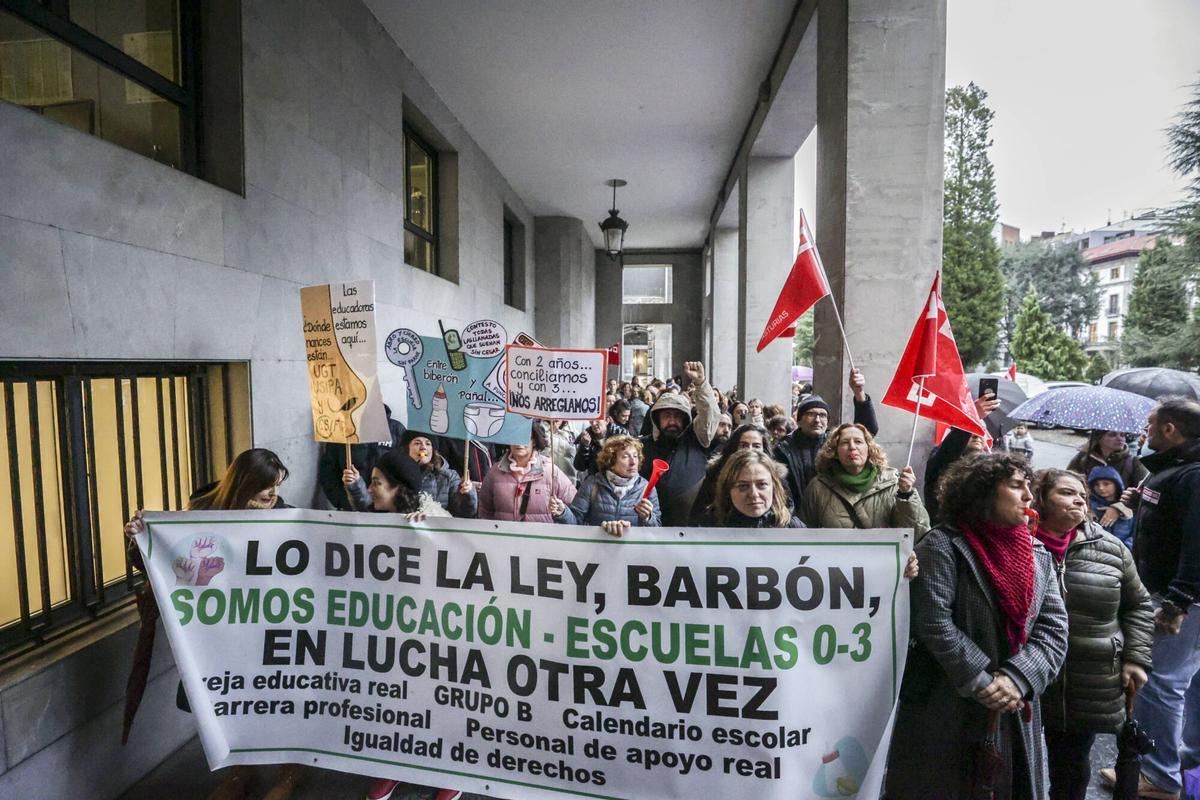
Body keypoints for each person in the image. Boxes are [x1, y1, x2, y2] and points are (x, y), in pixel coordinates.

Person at [124, 449, 307, 800]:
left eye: (278, 485)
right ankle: (240, 772)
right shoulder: (202, 512)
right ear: (244, 483)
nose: (274, 494)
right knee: (229, 704)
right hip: (219, 633)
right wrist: (139, 538)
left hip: (270, 626)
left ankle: (290, 771)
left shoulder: (285, 515)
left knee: (279, 698)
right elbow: (163, 560)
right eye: (266, 486)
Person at [886, 453, 1069, 800]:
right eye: (1016, 486)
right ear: (983, 493)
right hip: (947, 708)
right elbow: (933, 620)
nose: (1028, 496)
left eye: (1028, 486)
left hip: (1013, 709)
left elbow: (1053, 628)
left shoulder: (1037, 552)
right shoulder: (943, 545)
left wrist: (1017, 679)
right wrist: (983, 682)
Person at [1030, 468, 1153, 800]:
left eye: (1082, 496)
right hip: (1027, 677)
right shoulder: (1015, 544)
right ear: (1040, 498)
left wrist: (1136, 658)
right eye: (1066, 493)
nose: (1078, 501)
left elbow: (1139, 605)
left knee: (1071, 767)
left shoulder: (1110, 549)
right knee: (1015, 765)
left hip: (1087, 680)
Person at [1099, 398, 1200, 800]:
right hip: (1178, 596)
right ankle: (1185, 764)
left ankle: (1159, 777)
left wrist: (1177, 602)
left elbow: (1196, 544)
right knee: (1188, 683)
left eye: (1151, 424)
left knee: (1161, 681)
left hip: (1183, 601)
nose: (1145, 431)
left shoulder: (1193, 475)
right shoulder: (1174, 470)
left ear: (1170, 429)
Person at [799, 423, 930, 538]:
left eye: (858, 441)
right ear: (835, 451)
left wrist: (906, 495)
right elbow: (804, 535)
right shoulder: (818, 487)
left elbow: (918, 533)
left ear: (869, 448)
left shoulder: (893, 484)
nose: (852, 447)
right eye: (844, 442)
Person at [774, 367, 879, 506]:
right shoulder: (783, 449)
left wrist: (859, 393)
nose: (817, 420)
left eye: (822, 415)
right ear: (798, 420)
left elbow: (867, 430)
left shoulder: (836, 443)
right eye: (811, 414)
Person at [638, 361, 719, 526]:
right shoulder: (643, 446)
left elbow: (709, 414)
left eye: (677, 416)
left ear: (685, 419)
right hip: (650, 525)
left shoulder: (697, 440)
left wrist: (701, 383)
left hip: (691, 526)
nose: (672, 421)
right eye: (667, 416)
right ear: (657, 419)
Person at [552, 435, 660, 535]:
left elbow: (658, 530)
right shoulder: (592, 484)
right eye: (625, 457)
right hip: (597, 548)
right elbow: (575, 522)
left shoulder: (646, 488)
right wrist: (563, 513)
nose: (633, 462)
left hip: (633, 549)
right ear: (611, 462)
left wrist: (648, 518)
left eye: (635, 456)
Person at [923, 394, 1001, 523]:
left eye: (981, 430)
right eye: (972, 430)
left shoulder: (991, 466)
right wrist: (972, 417)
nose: (976, 435)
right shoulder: (940, 458)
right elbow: (948, 453)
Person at [479, 424, 577, 522]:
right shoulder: (495, 472)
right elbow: (484, 511)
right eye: (514, 437)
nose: (519, 442)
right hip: (503, 532)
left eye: (524, 437)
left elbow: (575, 510)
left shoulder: (550, 471)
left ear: (534, 441)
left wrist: (563, 512)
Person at [316, 404, 405, 510]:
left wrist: (395, 502)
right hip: (351, 507)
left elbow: (406, 470)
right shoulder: (342, 430)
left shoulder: (396, 429)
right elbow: (328, 470)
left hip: (387, 509)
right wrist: (343, 501)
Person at [697, 449, 804, 528]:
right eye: (743, 486)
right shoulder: (707, 528)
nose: (754, 494)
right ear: (727, 490)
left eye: (762, 484)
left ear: (774, 487)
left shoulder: (793, 528)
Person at [688, 423, 771, 524]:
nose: (750, 450)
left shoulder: (774, 476)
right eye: (744, 446)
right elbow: (698, 514)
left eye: (756, 446)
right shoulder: (715, 475)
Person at [400, 432, 477, 517]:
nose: (423, 447)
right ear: (407, 449)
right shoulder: (396, 475)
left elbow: (465, 512)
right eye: (417, 443)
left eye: (428, 444)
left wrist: (467, 494)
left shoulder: (449, 477)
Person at [1067, 429, 1148, 490]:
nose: (1119, 438)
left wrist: (1119, 506)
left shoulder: (1134, 462)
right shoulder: (1084, 457)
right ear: (1099, 438)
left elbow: (1142, 492)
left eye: (1122, 435)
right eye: (1112, 435)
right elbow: (1068, 482)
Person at [1086, 465, 1134, 548]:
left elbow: (1136, 533)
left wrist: (1127, 548)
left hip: (1125, 551)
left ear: (1116, 484)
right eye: (1096, 484)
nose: (1101, 488)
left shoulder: (1130, 506)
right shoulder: (1088, 507)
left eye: (1106, 484)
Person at [547, 420, 579, 486]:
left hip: (568, 480)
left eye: (557, 421)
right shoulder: (542, 431)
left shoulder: (573, 432)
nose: (555, 424)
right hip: (547, 479)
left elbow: (579, 457)